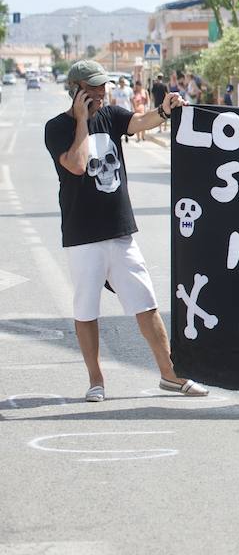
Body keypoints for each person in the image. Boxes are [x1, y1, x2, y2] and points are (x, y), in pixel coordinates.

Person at [44, 60, 208, 402]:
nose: (102, 92)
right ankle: (96, 380)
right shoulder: (57, 127)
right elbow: (76, 164)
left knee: (145, 303)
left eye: (103, 86)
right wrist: (81, 121)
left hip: (120, 230)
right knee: (87, 309)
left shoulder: (112, 114)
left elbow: (138, 122)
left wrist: (163, 110)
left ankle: (171, 374)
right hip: (83, 233)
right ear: (76, 90)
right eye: (93, 88)